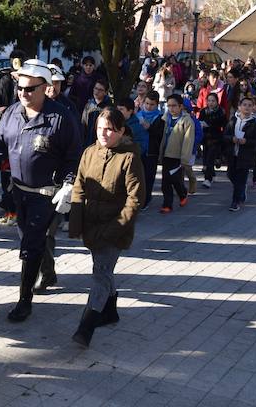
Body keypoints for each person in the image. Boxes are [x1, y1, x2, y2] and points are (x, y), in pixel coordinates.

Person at [0, 59, 81, 322]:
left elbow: (74, 156)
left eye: (29, 89)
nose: (23, 93)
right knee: (31, 242)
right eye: (20, 88)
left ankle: (24, 301)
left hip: (46, 195)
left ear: (45, 87)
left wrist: (69, 184)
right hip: (19, 192)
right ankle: (47, 272)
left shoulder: (61, 118)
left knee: (30, 245)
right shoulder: (11, 114)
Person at [69, 107, 145, 347]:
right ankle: (110, 311)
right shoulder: (89, 152)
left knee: (100, 274)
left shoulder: (129, 157)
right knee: (103, 269)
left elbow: (135, 199)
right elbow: (79, 187)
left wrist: (115, 228)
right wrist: (76, 222)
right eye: (101, 128)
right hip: (91, 225)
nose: (104, 134)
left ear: (121, 131)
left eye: (110, 129)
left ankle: (86, 326)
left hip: (115, 229)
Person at [0, 49, 27, 225]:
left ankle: (16, 211)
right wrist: (2, 108)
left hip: (23, 133)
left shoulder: (27, 81)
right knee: (6, 173)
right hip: (7, 131)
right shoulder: (6, 79)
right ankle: (9, 210)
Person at [223, 96, 256, 212]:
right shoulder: (233, 120)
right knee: (230, 175)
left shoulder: (254, 123)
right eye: (244, 105)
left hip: (245, 156)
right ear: (239, 107)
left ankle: (235, 202)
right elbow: (225, 135)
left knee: (240, 179)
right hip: (232, 154)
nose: (247, 107)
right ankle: (241, 190)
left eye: (250, 105)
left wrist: (247, 141)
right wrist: (232, 139)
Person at [158, 95, 194, 214]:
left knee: (175, 179)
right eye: (169, 106)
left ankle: (182, 194)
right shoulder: (165, 118)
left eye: (174, 106)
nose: (171, 108)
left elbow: (188, 140)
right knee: (165, 181)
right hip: (166, 154)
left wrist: (184, 158)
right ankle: (167, 204)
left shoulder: (187, 120)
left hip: (178, 155)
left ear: (181, 106)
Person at [137, 91, 165, 210]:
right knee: (138, 176)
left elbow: (160, 135)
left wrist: (150, 128)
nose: (148, 106)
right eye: (147, 103)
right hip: (139, 150)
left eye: (152, 104)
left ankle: (146, 199)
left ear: (157, 104)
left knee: (149, 176)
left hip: (151, 151)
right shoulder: (138, 115)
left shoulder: (160, 118)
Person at [199, 92, 226, 188]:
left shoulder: (221, 111)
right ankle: (212, 174)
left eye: (213, 101)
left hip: (216, 138)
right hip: (206, 138)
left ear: (217, 102)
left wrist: (210, 124)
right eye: (209, 100)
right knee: (206, 157)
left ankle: (207, 179)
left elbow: (222, 124)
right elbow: (200, 121)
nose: (211, 103)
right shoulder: (204, 111)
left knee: (210, 158)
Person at [81, 78, 112, 145]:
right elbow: (83, 124)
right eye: (95, 88)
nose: (96, 91)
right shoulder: (89, 104)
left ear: (106, 92)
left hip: (100, 143)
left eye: (100, 90)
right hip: (86, 142)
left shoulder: (108, 107)